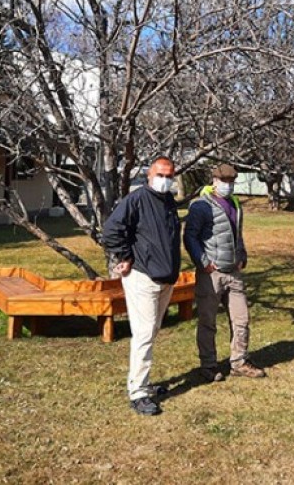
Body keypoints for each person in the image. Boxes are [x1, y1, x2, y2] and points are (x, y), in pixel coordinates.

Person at [100, 156, 182, 416]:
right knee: (144, 333)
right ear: (149, 175)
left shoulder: (168, 201)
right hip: (143, 277)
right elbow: (111, 231)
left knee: (152, 331)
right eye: (160, 175)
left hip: (165, 278)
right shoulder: (135, 200)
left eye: (169, 176)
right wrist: (124, 257)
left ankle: (144, 383)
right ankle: (137, 392)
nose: (165, 180)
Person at [183, 163, 266, 382]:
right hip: (211, 274)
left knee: (241, 319)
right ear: (214, 181)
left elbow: (237, 234)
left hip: (234, 272)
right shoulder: (201, 205)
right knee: (208, 321)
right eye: (224, 182)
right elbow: (190, 236)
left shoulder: (235, 204)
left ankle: (239, 361)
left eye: (231, 182)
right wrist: (203, 262)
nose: (228, 186)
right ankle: (208, 365)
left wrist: (242, 255)